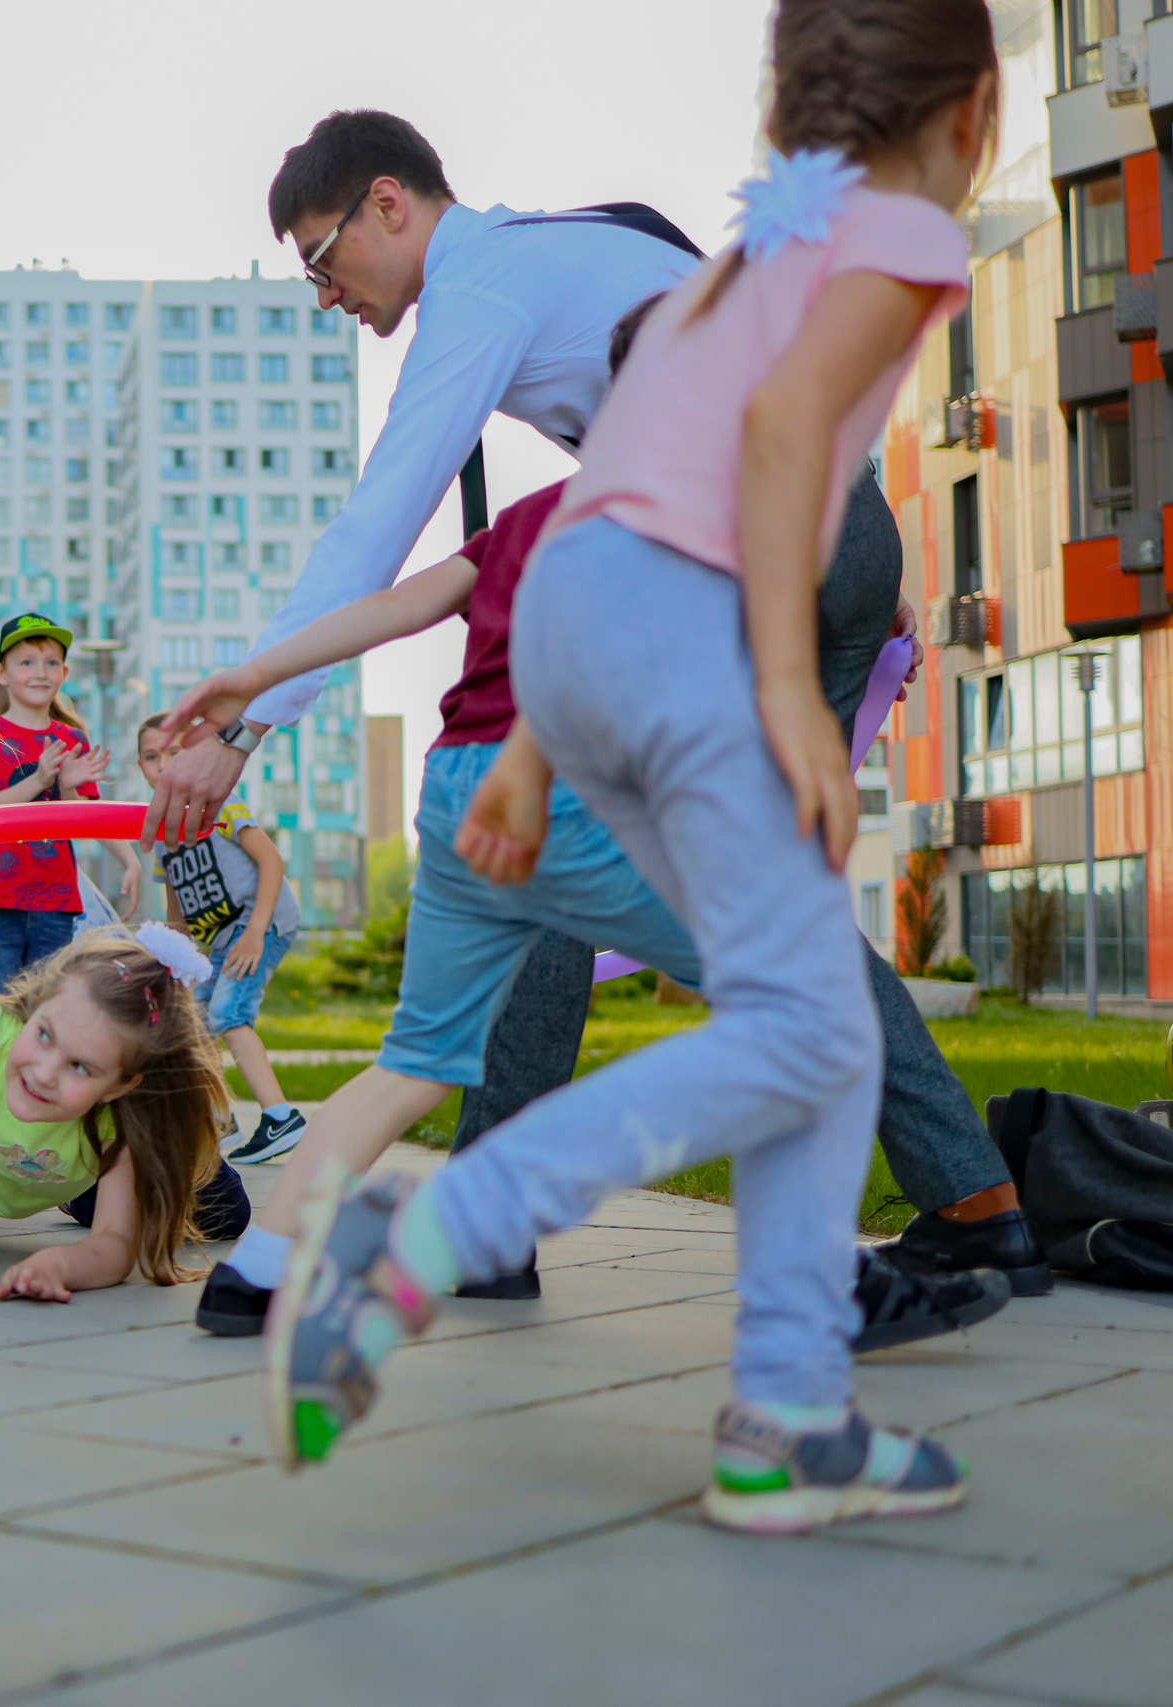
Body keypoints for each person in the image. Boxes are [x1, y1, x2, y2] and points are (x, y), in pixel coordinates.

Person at [269, 0, 994, 1533]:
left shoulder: (759, 240)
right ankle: (431, 1231)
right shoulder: (900, 235)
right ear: (972, 112)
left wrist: (540, 735)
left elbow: (623, 482)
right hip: (687, 610)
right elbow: (784, 431)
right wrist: (794, 686)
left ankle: (791, 1414)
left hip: (583, 615)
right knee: (807, 1022)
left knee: (809, 1022)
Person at [145, 105, 1042, 1306]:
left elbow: (377, 536)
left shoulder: (484, 292)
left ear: (387, 204)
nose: (326, 294)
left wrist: (241, 732)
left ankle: (958, 1208)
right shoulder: (584, 243)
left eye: (320, 258)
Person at [0, 926, 253, 1300]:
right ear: (38, 1005)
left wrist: (63, 1263)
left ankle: (86, 1190)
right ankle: (81, 1192)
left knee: (227, 1214)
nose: (44, 1074)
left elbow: (115, 1245)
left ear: (117, 1087)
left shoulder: (125, 1113)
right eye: (44, 1035)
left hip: (86, 1159)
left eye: (80, 1067)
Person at [133, 714, 306, 1165]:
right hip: (224, 941)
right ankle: (221, 1126)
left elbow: (271, 863)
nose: (164, 765)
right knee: (193, 1026)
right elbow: (177, 918)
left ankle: (280, 1117)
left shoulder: (221, 804)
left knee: (229, 1013)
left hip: (262, 925)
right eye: (153, 757)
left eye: (174, 753)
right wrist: (172, 971)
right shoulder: (164, 837)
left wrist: (253, 933)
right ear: (141, 768)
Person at [0, 614, 141, 993]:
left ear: (63, 672)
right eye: (26, 662)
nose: (39, 672)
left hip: (57, 901)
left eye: (50, 663)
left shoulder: (71, 737)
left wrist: (129, 859)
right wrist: (39, 781)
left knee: (46, 1007)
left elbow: (87, 817)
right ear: (2, 672)